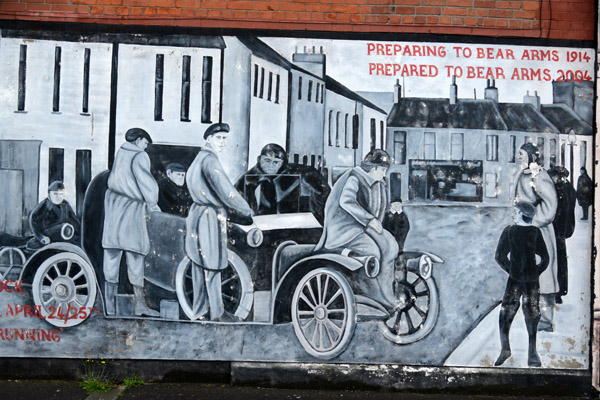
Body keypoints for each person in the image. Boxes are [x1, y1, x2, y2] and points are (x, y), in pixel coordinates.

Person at [185, 123, 254, 322]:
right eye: (219, 138)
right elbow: (226, 190)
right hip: (209, 215)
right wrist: (245, 209)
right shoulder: (210, 160)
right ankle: (217, 313)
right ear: (208, 139)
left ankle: (199, 312)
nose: (223, 142)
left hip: (197, 213)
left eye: (225, 139)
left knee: (198, 263)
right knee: (212, 265)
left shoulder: (198, 159)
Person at [316, 149, 399, 310]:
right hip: (346, 230)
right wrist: (368, 220)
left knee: (391, 247)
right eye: (382, 170)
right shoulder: (355, 177)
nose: (384, 174)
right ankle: (372, 295)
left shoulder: (378, 182)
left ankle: (387, 294)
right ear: (373, 168)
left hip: (364, 227)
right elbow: (346, 201)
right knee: (372, 252)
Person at [102, 128, 160, 317]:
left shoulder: (121, 153)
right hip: (131, 208)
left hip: (113, 205)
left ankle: (109, 306)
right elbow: (146, 182)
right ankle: (139, 305)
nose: (146, 146)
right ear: (139, 140)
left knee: (111, 255)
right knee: (135, 256)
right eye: (145, 143)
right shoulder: (139, 156)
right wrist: (152, 203)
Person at [494, 201, 549, 368]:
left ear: (522, 214)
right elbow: (545, 258)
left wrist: (512, 270)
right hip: (531, 281)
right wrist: (535, 271)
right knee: (532, 315)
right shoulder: (535, 232)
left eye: (516, 212)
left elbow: (500, 256)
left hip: (516, 280)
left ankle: (506, 349)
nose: (513, 214)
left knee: (506, 314)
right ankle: (532, 355)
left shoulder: (509, 231)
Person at [513, 143, 557, 332]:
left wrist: (533, 220)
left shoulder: (538, 176)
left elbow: (551, 206)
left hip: (540, 234)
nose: (519, 157)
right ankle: (533, 316)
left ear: (531, 156)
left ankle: (546, 321)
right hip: (525, 231)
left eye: (522, 154)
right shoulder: (522, 174)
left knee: (543, 275)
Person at [235, 143, 329, 223]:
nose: (270, 166)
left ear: (283, 163)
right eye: (267, 161)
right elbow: (237, 196)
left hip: (292, 218)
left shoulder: (297, 171)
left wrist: (317, 215)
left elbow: (325, 192)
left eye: (276, 162)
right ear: (259, 159)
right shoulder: (252, 175)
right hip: (265, 219)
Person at [547, 166, 576, 304]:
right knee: (560, 261)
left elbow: (559, 210)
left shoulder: (559, 189)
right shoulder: (568, 188)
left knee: (555, 261)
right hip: (561, 231)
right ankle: (559, 291)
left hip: (556, 230)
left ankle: (556, 291)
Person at [27, 181, 81, 250]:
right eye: (55, 194)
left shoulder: (65, 205)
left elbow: (75, 221)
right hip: (48, 238)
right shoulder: (44, 205)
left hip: (64, 237)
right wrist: (41, 237)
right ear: (49, 195)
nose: (58, 197)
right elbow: (33, 220)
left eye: (61, 194)